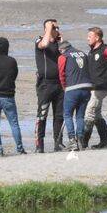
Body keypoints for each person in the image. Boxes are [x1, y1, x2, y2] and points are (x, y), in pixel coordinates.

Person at [0, 36, 25, 156]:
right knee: (14, 124)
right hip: (8, 96)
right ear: (7, 48)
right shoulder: (11, 61)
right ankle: (20, 149)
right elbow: (14, 75)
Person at [33, 19, 66, 153]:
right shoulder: (39, 41)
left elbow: (68, 55)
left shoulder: (59, 44)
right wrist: (48, 28)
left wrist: (61, 40)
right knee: (42, 115)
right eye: (54, 27)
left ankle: (58, 142)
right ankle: (39, 145)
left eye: (57, 27)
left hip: (59, 84)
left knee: (59, 115)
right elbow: (44, 44)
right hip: (45, 84)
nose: (56, 29)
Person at [58, 40, 92, 151]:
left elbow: (61, 74)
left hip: (72, 89)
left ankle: (72, 140)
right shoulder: (83, 54)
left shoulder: (63, 57)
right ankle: (81, 140)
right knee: (80, 116)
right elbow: (89, 70)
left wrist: (64, 88)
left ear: (61, 49)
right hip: (86, 88)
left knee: (67, 115)